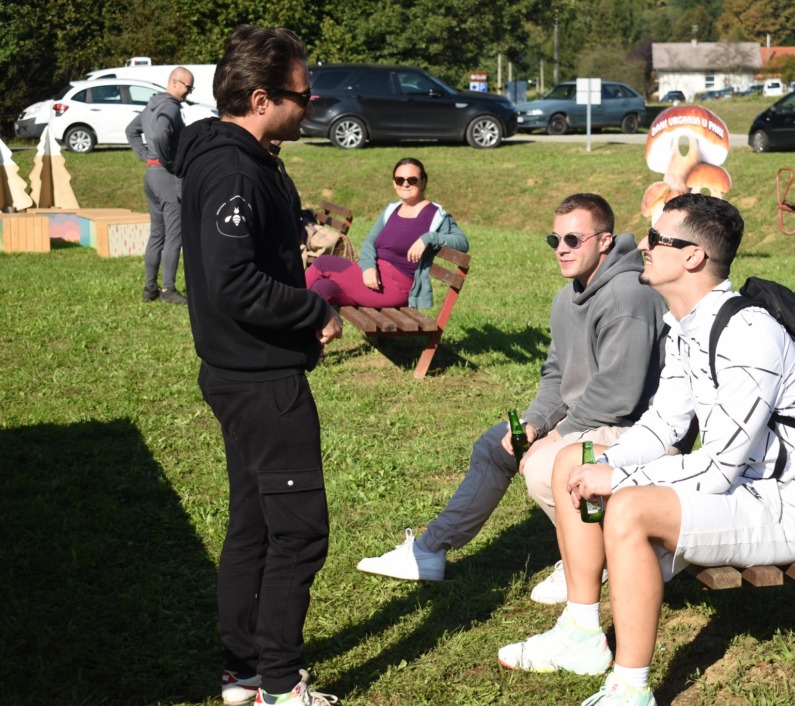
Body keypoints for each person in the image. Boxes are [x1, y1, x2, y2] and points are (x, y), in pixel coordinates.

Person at [498, 194, 795, 706]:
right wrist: (605, 462)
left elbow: (720, 468)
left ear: (693, 256)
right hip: (735, 490)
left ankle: (631, 689)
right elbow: (664, 422)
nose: (644, 246)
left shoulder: (749, 335)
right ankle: (581, 634)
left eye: (657, 238)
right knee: (572, 459)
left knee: (629, 508)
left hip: (778, 508)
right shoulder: (685, 324)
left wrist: (620, 481)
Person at [356, 193, 668, 603]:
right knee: (497, 445)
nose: (561, 249)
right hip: (590, 418)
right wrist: (535, 423)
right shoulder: (567, 297)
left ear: (605, 241)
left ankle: (596, 558)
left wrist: (557, 437)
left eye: (573, 240)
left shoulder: (629, 297)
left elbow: (618, 395)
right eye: (554, 240)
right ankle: (430, 549)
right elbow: (556, 375)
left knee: (543, 465)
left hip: (635, 427)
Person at [173, 25, 343, 706]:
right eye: (304, 94)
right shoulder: (233, 170)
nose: (312, 104)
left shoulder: (241, 157)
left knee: (254, 524)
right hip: (261, 382)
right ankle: (280, 682)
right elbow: (232, 282)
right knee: (298, 532)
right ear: (262, 98)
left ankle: (243, 672)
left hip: (239, 374)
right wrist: (312, 309)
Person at [304, 158, 467, 310]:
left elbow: (462, 242)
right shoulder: (392, 209)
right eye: (400, 180)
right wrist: (368, 267)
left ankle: (290, 308)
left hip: (395, 287)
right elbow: (370, 241)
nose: (405, 184)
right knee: (322, 288)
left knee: (323, 263)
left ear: (423, 182)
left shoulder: (435, 215)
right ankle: (307, 331)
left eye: (412, 180)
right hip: (372, 277)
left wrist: (428, 238)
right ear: (394, 183)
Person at [126, 66, 195, 304]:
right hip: (166, 176)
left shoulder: (152, 106)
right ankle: (168, 290)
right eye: (188, 87)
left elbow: (131, 130)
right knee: (174, 234)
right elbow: (160, 135)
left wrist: (147, 157)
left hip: (151, 175)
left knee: (157, 233)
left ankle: (150, 288)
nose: (189, 92)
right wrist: (169, 162)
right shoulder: (170, 107)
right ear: (175, 82)